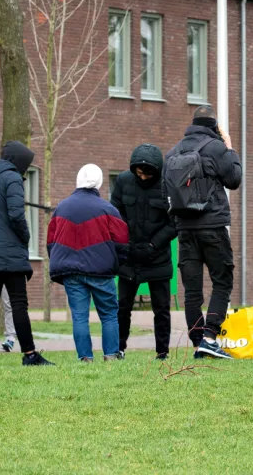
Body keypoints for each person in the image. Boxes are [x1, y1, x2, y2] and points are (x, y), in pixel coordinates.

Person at [165, 104, 241, 360]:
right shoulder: (217, 147)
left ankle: (198, 342)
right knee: (222, 280)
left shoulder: (174, 151)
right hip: (213, 227)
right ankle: (209, 337)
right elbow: (234, 179)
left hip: (185, 228)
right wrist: (229, 147)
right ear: (214, 127)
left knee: (192, 290)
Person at [0, 141, 54, 367]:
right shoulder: (13, 179)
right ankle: (30, 354)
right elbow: (17, 215)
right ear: (18, 161)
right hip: (11, 254)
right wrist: (25, 238)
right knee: (19, 304)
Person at [51, 164, 129, 362]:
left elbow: (52, 242)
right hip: (101, 271)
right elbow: (121, 242)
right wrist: (116, 264)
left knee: (79, 316)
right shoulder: (107, 209)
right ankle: (111, 355)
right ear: (99, 182)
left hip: (71, 271)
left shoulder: (62, 208)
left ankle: (85, 357)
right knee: (109, 314)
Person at [110, 144, 177, 360]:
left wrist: (153, 245)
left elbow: (175, 221)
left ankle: (162, 351)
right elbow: (115, 215)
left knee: (161, 309)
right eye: (139, 173)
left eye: (148, 173)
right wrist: (126, 244)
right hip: (129, 257)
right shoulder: (123, 181)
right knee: (123, 307)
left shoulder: (167, 185)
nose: (144, 177)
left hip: (157, 258)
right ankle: (119, 348)